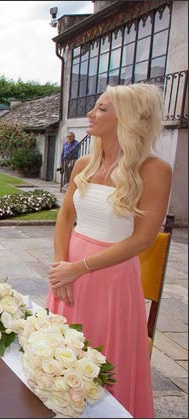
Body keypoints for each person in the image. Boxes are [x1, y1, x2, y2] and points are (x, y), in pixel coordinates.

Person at [46, 83, 171, 418]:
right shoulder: (84, 162)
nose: (90, 113)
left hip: (110, 277)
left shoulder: (155, 170)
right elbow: (66, 215)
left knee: (104, 357)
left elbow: (144, 238)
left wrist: (80, 267)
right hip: (69, 269)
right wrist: (61, 265)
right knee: (60, 357)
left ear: (126, 119)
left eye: (101, 108)